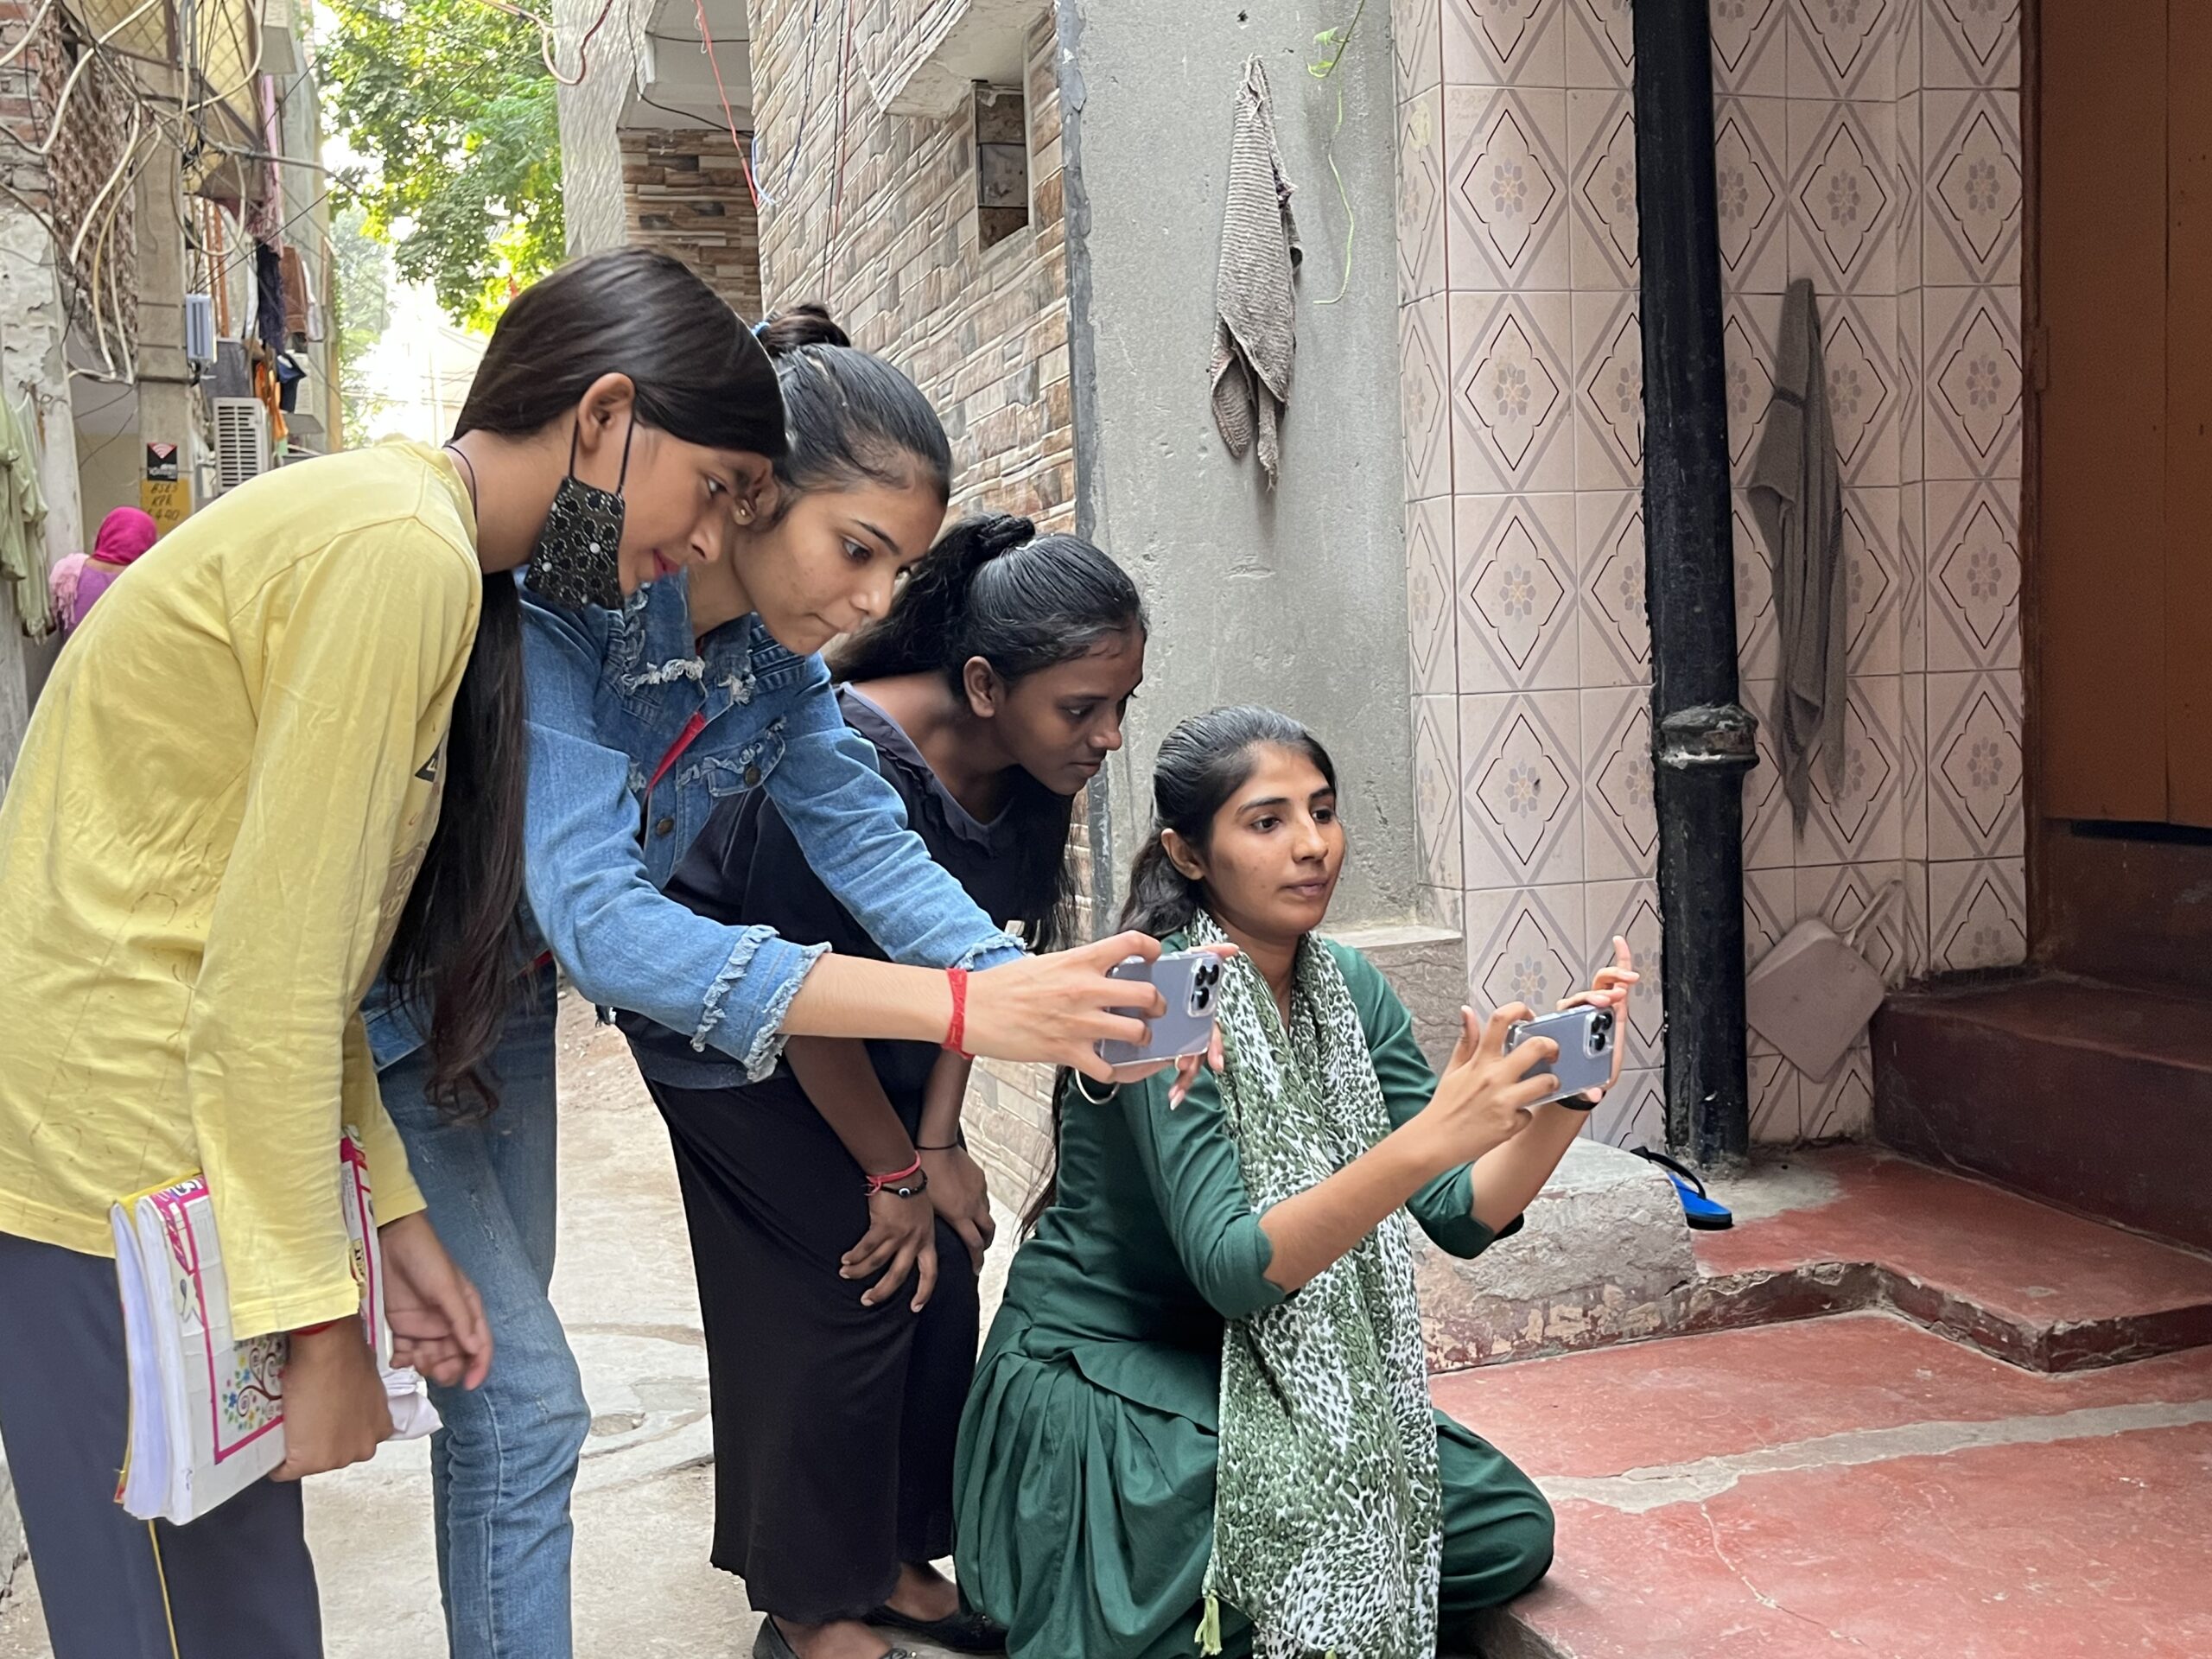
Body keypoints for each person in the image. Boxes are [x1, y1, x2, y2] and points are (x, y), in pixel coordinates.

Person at [0, 239, 792, 1655]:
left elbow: (314, 955)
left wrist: (403, 1220)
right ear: (605, 418)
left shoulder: (419, 548)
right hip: (112, 1160)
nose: (712, 542)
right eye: (715, 491)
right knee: (176, 1624)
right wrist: (316, 1318)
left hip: (164, 1157)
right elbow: (270, 975)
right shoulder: (401, 556)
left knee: (242, 1614)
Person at [366, 300, 1180, 1659]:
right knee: (532, 1402)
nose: (871, 603)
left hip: (505, 1006)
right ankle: (807, 1602)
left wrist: (1028, 984)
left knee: (498, 1377)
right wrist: (961, 1013)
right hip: (412, 1011)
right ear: (743, 490)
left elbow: (873, 850)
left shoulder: (778, 673)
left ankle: (857, 1573)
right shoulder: (563, 614)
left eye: (896, 568)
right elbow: (611, 931)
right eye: (853, 550)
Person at [954, 706, 1638, 1659]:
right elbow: (1234, 1269)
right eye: (1266, 821)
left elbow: (1460, 1214)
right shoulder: (1164, 1012)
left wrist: (1560, 1099)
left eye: (1322, 811)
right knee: (1305, 1520)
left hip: (1275, 1371)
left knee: (1502, 1526)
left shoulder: (1349, 987)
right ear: (1188, 855)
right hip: (1113, 1374)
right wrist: (1435, 1134)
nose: (1312, 846)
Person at [625, 512, 1147, 1659]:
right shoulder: (847, 756)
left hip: (879, 1031)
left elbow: (980, 959)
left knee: (942, 1271)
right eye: (1082, 708)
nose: (1108, 737)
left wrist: (945, 1145)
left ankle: (895, 1562)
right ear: (981, 681)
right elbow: (799, 1003)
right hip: (733, 1035)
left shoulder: (1030, 765)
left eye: (1123, 707)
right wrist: (894, 1170)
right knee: (844, 1282)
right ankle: (809, 1605)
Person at [52, 505, 159, 633]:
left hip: (75, 653)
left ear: (105, 533)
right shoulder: (148, 583)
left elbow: (53, 621)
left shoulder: (71, 572)